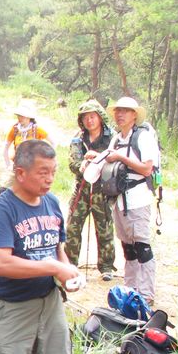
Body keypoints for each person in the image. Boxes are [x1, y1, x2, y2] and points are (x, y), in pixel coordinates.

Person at [0, 140, 81, 354]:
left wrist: (66, 273)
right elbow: (1, 263)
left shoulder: (51, 203)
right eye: (42, 172)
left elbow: (57, 249)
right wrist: (53, 267)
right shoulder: (2, 210)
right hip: (13, 308)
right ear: (21, 172)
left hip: (49, 303)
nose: (49, 179)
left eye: (53, 172)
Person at [85, 95, 159, 304]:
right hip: (119, 200)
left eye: (125, 111)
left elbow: (146, 168)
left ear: (134, 115)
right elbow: (109, 162)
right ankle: (130, 290)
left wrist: (120, 157)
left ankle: (146, 294)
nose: (119, 114)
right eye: (117, 111)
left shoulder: (143, 137)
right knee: (128, 248)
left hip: (138, 198)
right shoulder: (117, 138)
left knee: (142, 247)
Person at [65, 99, 115, 278]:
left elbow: (116, 160)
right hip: (82, 188)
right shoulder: (78, 137)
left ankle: (107, 266)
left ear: (100, 118)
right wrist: (83, 165)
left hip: (103, 188)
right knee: (72, 226)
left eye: (92, 116)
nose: (89, 121)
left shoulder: (111, 137)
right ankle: (70, 264)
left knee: (104, 227)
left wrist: (98, 158)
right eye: (85, 118)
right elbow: (72, 162)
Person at [2, 99, 48, 171]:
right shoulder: (15, 129)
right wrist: (8, 164)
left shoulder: (37, 130)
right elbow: (5, 148)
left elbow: (53, 142)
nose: (19, 118)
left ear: (29, 117)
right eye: (18, 115)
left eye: (22, 116)